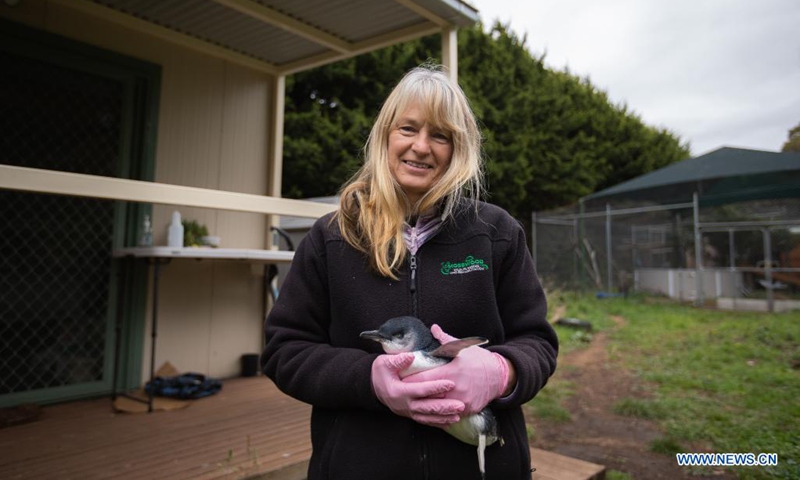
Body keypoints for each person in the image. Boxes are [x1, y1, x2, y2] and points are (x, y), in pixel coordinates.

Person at [261, 64, 558, 480]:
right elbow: (284, 350)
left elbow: (538, 342)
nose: (421, 147)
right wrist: (368, 379)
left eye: (440, 135)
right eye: (408, 129)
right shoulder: (331, 237)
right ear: (385, 135)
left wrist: (500, 371)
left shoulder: (497, 233)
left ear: (459, 149)